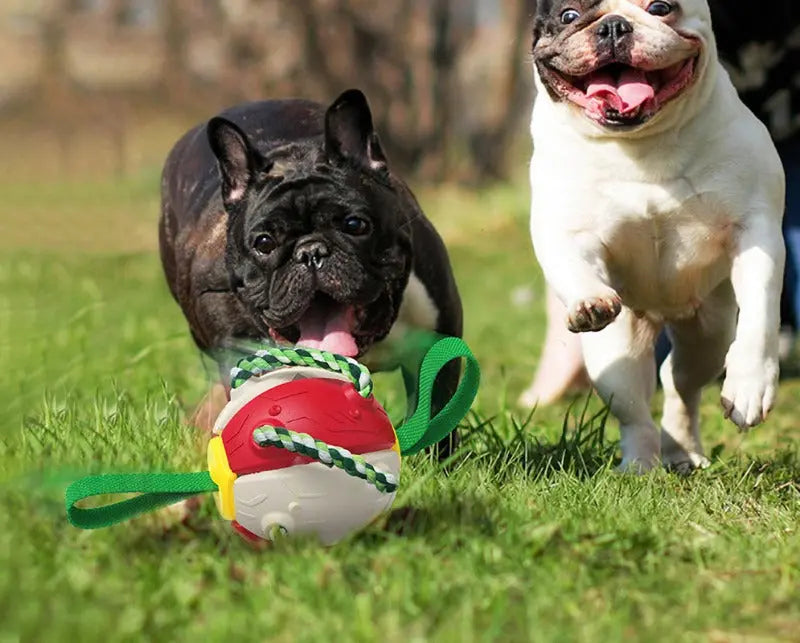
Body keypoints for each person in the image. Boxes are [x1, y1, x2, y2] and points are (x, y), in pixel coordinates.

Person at [521, 3, 800, 408]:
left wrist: (756, 345)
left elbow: (755, 229)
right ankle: (642, 440)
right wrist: (572, 299)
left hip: (779, 85)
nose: (615, 31)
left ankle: (701, 394)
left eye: (658, 7)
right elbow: (560, 232)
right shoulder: (555, 136)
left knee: (698, 362)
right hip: (628, 284)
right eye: (571, 17)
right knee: (626, 370)